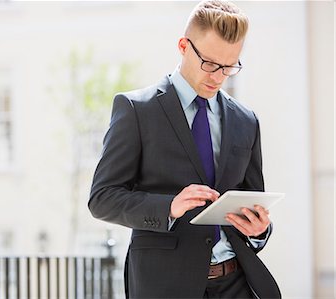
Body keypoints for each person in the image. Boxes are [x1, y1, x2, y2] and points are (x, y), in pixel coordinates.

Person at [88, 1, 281, 298]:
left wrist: (258, 230)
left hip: (236, 282)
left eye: (229, 67)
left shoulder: (246, 120)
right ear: (183, 46)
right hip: (165, 285)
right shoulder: (136, 110)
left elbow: (250, 199)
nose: (218, 76)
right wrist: (169, 207)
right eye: (210, 64)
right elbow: (102, 199)